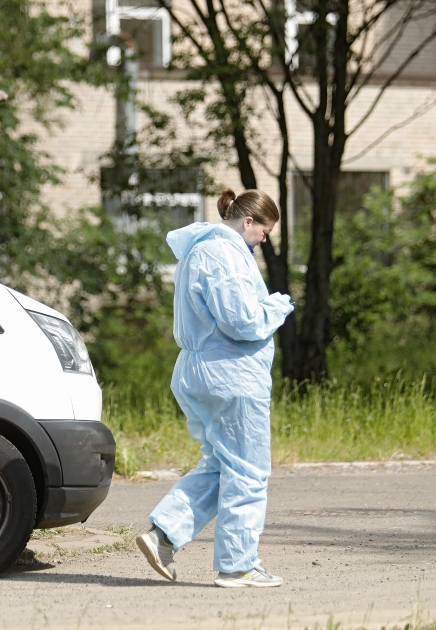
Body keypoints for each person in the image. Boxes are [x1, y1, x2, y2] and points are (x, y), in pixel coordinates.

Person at [135, 188, 294, 588]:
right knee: (248, 471)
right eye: (265, 231)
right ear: (248, 222)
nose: (264, 241)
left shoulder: (200, 249)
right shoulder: (225, 254)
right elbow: (241, 321)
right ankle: (238, 565)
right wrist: (277, 307)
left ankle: (164, 535)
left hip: (199, 369)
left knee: (223, 464)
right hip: (231, 375)